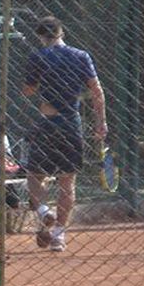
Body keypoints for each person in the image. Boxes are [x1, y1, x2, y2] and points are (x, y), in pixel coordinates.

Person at [21, 16, 107, 252]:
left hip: (47, 121)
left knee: (34, 175)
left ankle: (43, 211)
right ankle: (58, 235)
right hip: (71, 122)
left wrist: (41, 81)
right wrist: (101, 123)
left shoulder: (38, 57)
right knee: (67, 181)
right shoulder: (81, 56)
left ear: (40, 36)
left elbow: (28, 91)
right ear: (61, 33)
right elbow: (97, 91)